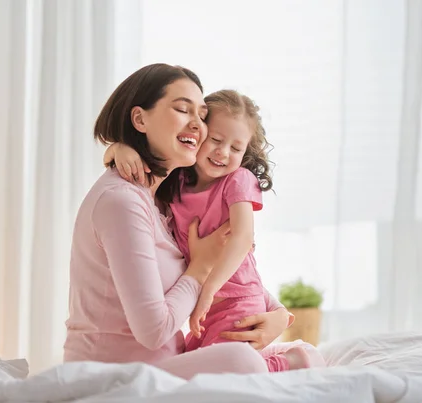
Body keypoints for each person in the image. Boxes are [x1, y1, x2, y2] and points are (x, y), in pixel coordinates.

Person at [63, 63, 301, 380]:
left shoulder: (162, 199)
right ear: (140, 119)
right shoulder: (123, 201)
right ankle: (291, 362)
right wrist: (200, 269)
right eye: (182, 110)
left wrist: (278, 313)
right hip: (114, 375)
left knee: (241, 356)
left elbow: (234, 263)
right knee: (243, 362)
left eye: (201, 116)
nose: (197, 126)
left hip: (162, 363)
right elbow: (154, 330)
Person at [105, 89, 324, 371]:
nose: (223, 153)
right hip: (204, 306)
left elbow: (243, 238)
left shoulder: (238, 180)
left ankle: (292, 361)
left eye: (236, 148)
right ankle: (278, 356)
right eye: (216, 141)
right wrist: (116, 149)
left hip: (237, 301)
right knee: (196, 364)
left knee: (220, 370)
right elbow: (146, 158)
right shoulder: (178, 181)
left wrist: (208, 290)